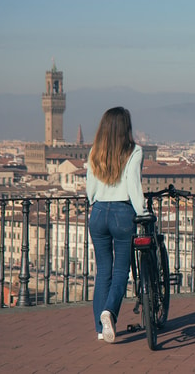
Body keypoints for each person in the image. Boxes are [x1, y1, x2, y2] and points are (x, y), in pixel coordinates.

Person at [86, 107, 146, 343]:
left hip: (98, 212)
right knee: (121, 270)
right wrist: (142, 213)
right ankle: (109, 312)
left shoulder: (94, 151)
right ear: (126, 127)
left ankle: (100, 329)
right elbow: (133, 186)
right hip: (123, 212)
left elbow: (90, 189)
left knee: (103, 271)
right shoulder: (134, 151)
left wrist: (97, 200)